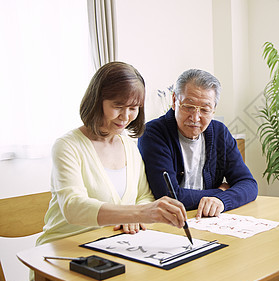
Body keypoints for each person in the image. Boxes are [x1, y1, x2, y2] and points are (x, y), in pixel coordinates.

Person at [37, 62, 188, 248]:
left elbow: (144, 196)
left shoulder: (129, 145)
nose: (125, 116)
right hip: (65, 250)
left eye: (133, 108)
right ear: (97, 101)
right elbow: (73, 208)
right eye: (118, 106)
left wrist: (135, 215)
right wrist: (135, 213)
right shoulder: (67, 146)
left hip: (113, 246)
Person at [138, 69, 258, 218]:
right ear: (174, 100)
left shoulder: (220, 132)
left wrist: (221, 201)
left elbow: (249, 184)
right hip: (168, 223)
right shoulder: (153, 133)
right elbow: (169, 197)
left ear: (213, 110)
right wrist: (221, 191)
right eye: (188, 107)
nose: (195, 117)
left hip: (207, 220)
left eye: (205, 110)